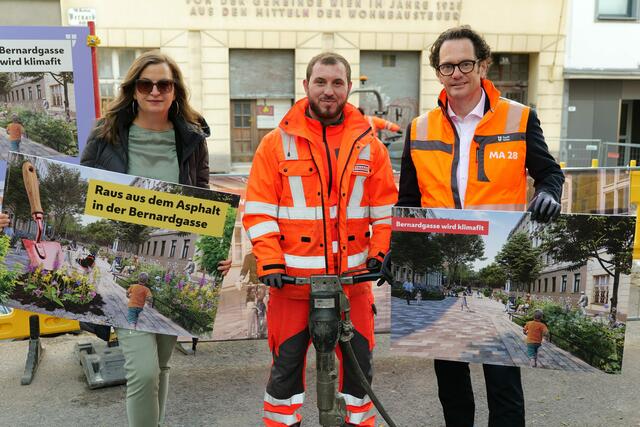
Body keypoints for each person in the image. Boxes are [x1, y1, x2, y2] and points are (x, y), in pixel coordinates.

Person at [397, 26, 564, 427]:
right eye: (446, 66)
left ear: (483, 64)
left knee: (504, 388)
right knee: (451, 388)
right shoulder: (419, 128)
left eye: (465, 64)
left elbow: (549, 173)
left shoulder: (520, 118)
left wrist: (550, 194)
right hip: (443, 251)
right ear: (438, 71)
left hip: (494, 248)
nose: (456, 74)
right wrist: (396, 250)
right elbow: (407, 201)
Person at [243, 52, 397, 427]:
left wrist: (379, 254)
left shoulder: (369, 146)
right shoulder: (275, 145)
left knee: (359, 378)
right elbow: (260, 211)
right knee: (285, 378)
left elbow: (385, 210)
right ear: (306, 85)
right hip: (291, 285)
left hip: (353, 284)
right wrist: (270, 261)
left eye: (337, 83)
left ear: (348, 87)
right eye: (321, 82)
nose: (329, 91)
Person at [81, 51, 232, 427]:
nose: (154, 91)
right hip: (127, 264)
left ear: (175, 90)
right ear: (133, 89)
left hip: (173, 270)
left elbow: (205, 200)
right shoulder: (106, 135)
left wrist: (218, 252)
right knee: (143, 372)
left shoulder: (192, 138)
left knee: (162, 366)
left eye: (163, 84)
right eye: (145, 84)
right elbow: (84, 193)